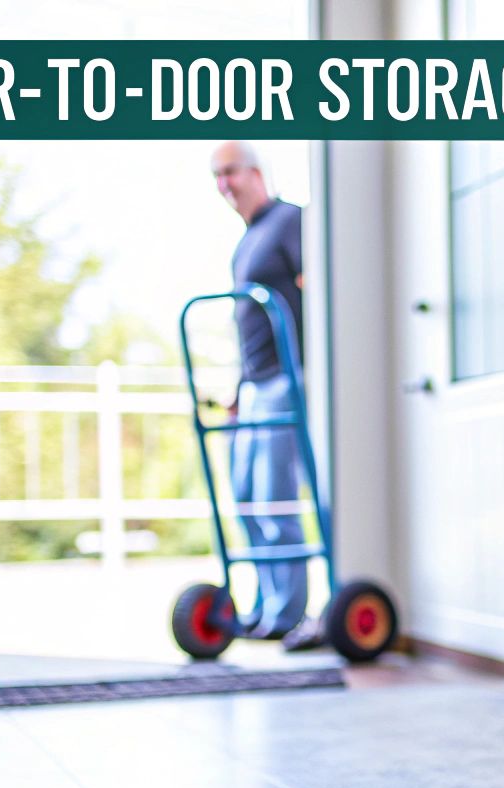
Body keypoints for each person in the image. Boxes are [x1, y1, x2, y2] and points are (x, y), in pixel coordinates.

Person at [210, 140, 321, 651]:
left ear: (256, 172)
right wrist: (237, 391)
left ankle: (287, 612)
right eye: (217, 176)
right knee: (247, 501)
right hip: (253, 385)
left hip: (284, 380)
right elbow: (247, 324)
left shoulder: (290, 222)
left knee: (275, 499)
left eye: (230, 171)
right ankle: (264, 604)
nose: (224, 184)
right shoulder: (245, 241)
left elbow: (315, 291)